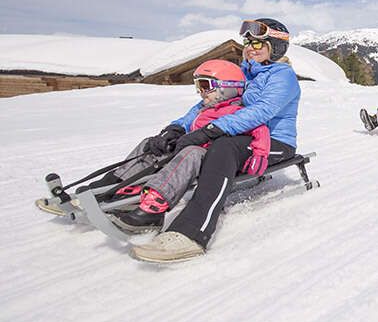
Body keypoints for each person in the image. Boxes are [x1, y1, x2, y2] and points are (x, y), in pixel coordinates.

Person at [131, 18, 300, 263]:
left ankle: (191, 233)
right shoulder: (242, 73)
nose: (251, 47)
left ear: (275, 47)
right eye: (248, 42)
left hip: (273, 143)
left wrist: (212, 130)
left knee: (222, 148)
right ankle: (119, 196)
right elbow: (206, 105)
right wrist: (178, 127)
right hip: (239, 136)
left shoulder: (282, 77)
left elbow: (261, 111)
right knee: (167, 143)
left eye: (259, 43)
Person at [105, 60, 271, 234]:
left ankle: (154, 208)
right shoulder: (203, 109)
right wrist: (170, 136)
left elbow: (260, 130)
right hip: (187, 148)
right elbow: (185, 124)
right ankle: (121, 185)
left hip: (208, 156)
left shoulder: (237, 111)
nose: (201, 92)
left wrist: (260, 155)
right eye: (198, 86)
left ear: (229, 87)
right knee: (150, 144)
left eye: (206, 85)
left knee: (191, 153)